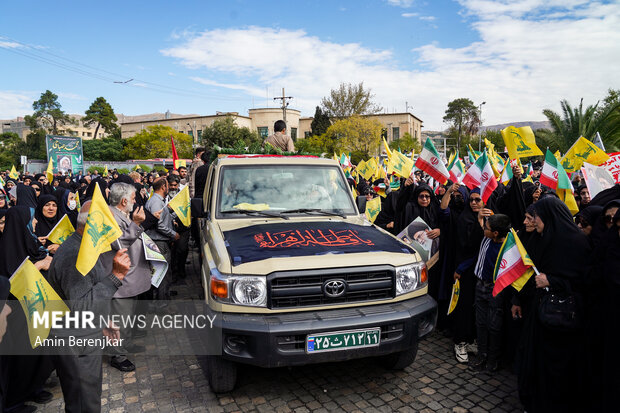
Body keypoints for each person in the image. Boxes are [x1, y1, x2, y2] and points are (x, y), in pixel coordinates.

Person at [47, 201, 131, 413]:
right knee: (84, 404)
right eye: (106, 223)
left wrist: (103, 321)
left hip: (84, 334)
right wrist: (116, 276)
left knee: (88, 399)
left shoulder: (84, 246)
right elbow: (83, 306)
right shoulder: (75, 254)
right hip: (76, 341)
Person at [516, 197, 591, 413]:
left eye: (537, 216)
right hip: (538, 314)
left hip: (563, 321)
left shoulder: (577, 243)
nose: (534, 221)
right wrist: (518, 300)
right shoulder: (542, 239)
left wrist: (553, 281)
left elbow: (587, 282)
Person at [105, 183, 150, 373]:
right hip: (122, 278)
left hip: (131, 276)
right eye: (133, 199)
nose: (134, 202)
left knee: (128, 317)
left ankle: (126, 344)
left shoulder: (121, 214)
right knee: (120, 318)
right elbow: (119, 243)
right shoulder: (109, 216)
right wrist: (136, 224)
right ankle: (117, 355)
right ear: (124, 201)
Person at [469, 214, 511, 372]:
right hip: (480, 286)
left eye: (486, 228)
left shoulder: (508, 248)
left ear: (495, 233)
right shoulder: (486, 239)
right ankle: (482, 356)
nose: (483, 229)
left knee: (494, 326)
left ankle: (492, 360)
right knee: (480, 323)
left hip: (496, 290)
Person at [145, 178, 178, 303]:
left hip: (159, 241)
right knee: (163, 274)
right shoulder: (156, 202)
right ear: (164, 187)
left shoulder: (158, 201)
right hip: (159, 242)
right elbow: (158, 224)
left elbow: (162, 218)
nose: (169, 188)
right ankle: (162, 304)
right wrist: (173, 234)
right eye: (168, 185)